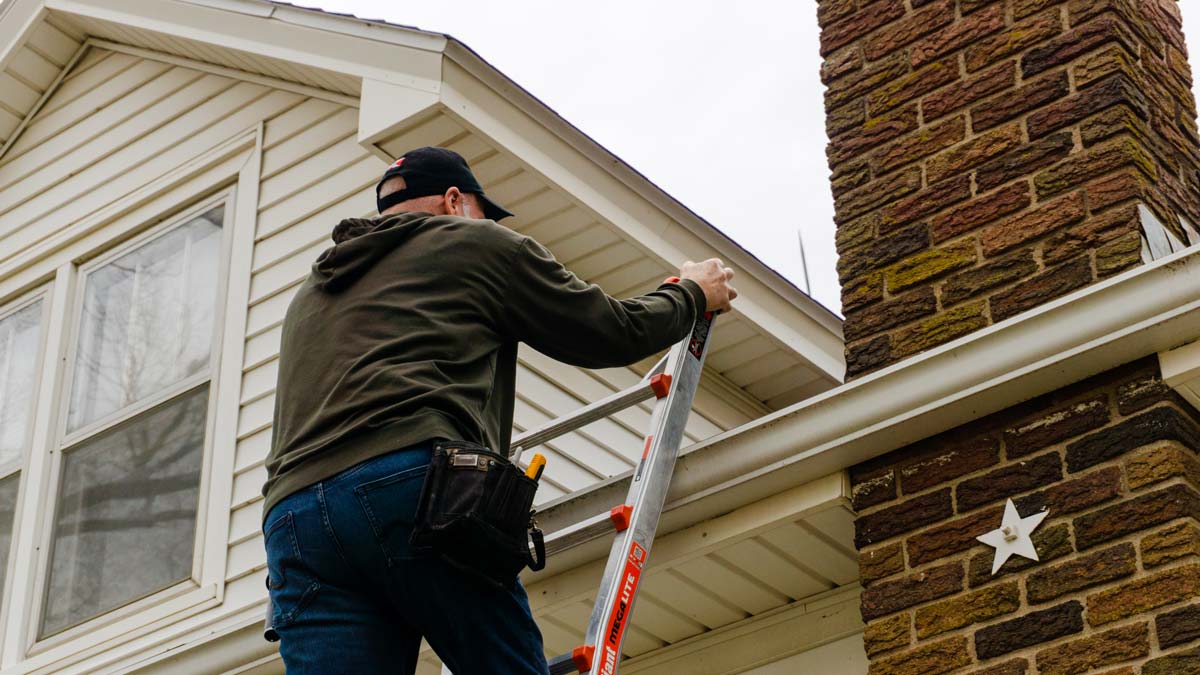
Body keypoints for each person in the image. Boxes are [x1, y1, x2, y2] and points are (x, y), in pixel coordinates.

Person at [261, 146, 737, 674]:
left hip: (294, 524)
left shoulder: (311, 294)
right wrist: (691, 292)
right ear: (454, 201)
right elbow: (611, 331)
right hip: (407, 481)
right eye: (485, 213)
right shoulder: (474, 242)